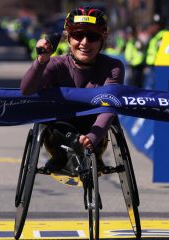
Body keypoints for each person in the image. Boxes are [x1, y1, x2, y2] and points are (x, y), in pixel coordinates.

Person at [20, 7, 125, 172]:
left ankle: (93, 156)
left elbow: (109, 107)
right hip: (58, 135)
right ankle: (61, 158)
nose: (84, 42)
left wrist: (92, 137)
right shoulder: (55, 64)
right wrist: (40, 61)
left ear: (102, 39)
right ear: (68, 39)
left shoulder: (113, 67)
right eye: (77, 35)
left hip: (95, 132)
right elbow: (26, 90)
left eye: (92, 36)